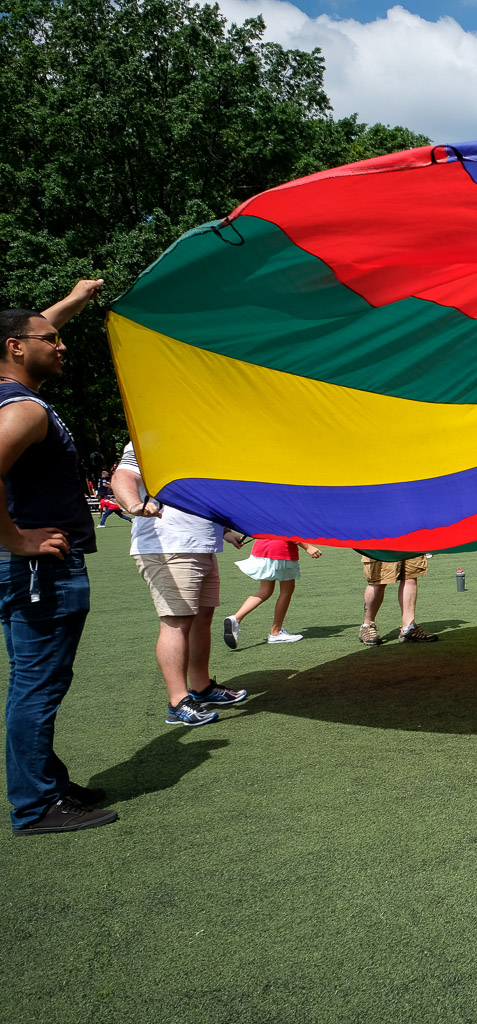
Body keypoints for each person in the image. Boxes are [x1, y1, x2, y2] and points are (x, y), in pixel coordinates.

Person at [1, 280, 119, 834]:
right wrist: (17, 539)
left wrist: (75, 299)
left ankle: (44, 782)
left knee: (34, 679)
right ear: (17, 349)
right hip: (37, 566)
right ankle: (36, 805)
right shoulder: (23, 409)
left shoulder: (8, 391)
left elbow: (27, 327)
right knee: (38, 683)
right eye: (51, 339)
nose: (61, 344)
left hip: (29, 567)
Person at [113, 441, 249, 727]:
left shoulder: (195, 436)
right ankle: (178, 701)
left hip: (201, 545)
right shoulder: (150, 433)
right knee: (177, 621)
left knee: (202, 617)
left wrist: (224, 532)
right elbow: (124, 475)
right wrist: (135, 505)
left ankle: (201, 688)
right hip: (168, 544)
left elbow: (199, 496)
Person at [224, 537, 322, 646]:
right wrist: (308, 547)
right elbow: (289, 530)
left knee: (264, 591)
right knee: (286, 591)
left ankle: (236, 618)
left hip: (262, 549)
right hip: (282, 551)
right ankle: (276, 632)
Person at [357, 552, 439, 644]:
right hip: (382, 542)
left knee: (410, 578)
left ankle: (408, 628)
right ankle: (367, 626)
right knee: (378, 581)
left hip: (409, 541)